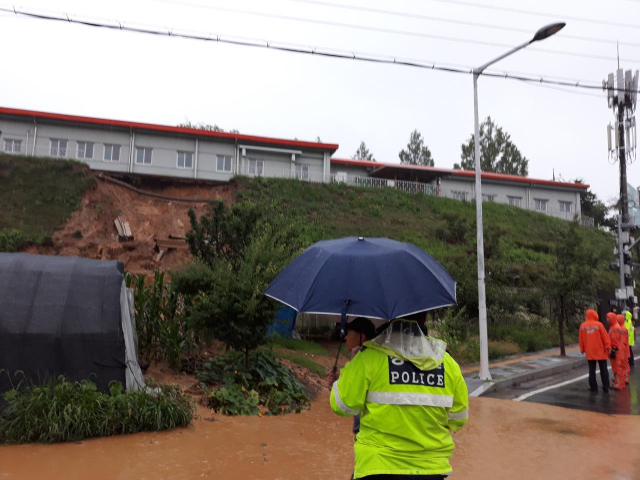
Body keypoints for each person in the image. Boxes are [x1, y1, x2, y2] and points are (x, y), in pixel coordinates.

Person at [330, 317, 468, 479]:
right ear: (423, 320)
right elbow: (458, 418)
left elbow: (343, 405)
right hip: (431, 469)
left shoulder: (369, 357)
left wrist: (339, 382)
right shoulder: (448, 363)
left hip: (378, 467)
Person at [328, 317, 377, 436]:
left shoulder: (365, 359)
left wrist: (336, 386)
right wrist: (340, 379)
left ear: (361, 336)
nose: (345, 337)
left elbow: (346, 402)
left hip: (366, 431)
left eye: (349, 333)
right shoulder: (371, 358)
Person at [579, 309, 611, 392]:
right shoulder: (599, 325)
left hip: (590, 351)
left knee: (592, 370)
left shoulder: (583, 326)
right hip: (600, 350)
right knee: (603, 369)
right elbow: (605, 337)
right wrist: (608, 347)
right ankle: (606, 386)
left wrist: (582, 349)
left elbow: (581, 339)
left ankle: (593, 387)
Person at [609, 315, 625, 391]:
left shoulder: (615, 328)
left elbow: (615, 340)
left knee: (617, 367)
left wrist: (613, 350)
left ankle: (619, 384)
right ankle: (618, 383)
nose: (607, 319)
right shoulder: (614, 327)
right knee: (616, 367)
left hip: (616, 350)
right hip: (616, 350)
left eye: (608, 318)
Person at [618, 314, 630, 385]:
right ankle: (625, 378)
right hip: (625, 350)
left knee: (624, 365)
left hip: (623, 351)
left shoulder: (622, 329)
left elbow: (622, 342)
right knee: (625, 365)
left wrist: (618, 351)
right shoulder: (623, 328)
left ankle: (624, 378)